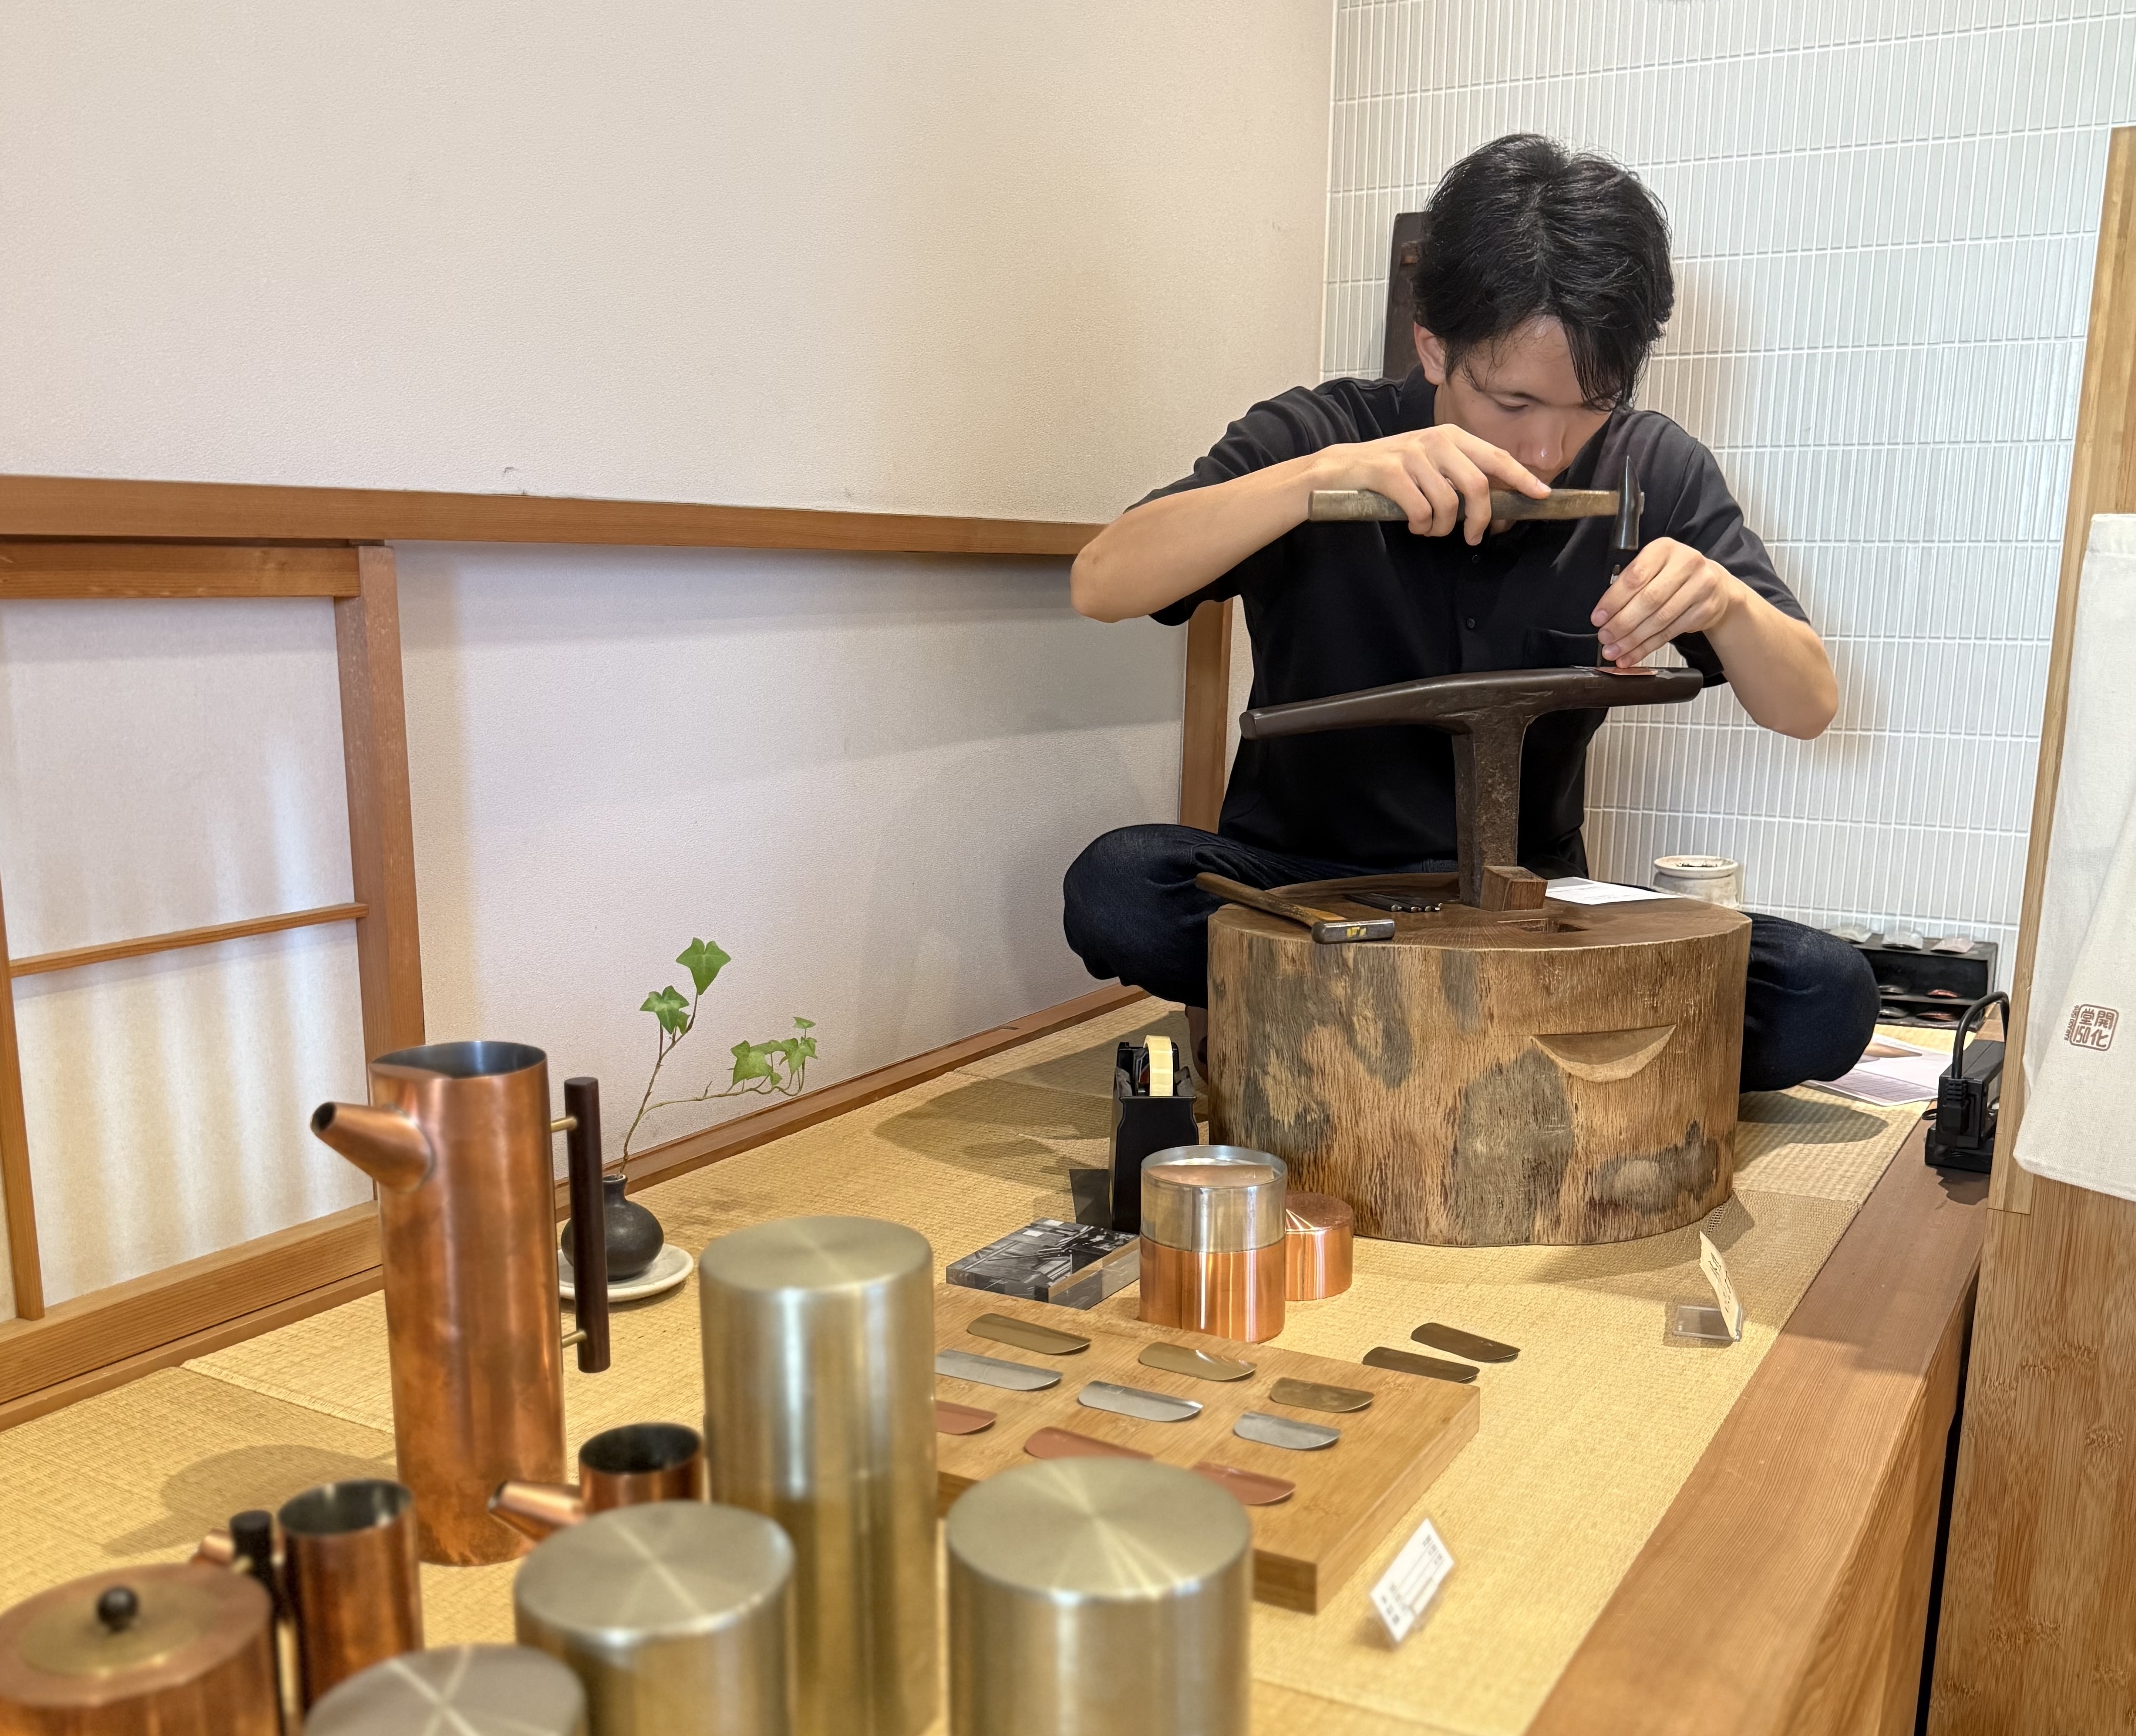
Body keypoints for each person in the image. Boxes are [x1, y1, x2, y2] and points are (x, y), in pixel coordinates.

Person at [1061, 133, 1876, 1093]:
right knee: (1119, 886)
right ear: (1433, 343)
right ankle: (1503, 1051)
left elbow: (1807, 706)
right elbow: (1104, 582)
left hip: (1532, 910)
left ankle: (1413, 1041)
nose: (1546, 447)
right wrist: (1318, 481)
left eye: (1590, 405)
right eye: (1513, 400)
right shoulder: (1322, 434)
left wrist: (1728, 601)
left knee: (1826, 992)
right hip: (1307, 891)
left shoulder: (1650, 466)